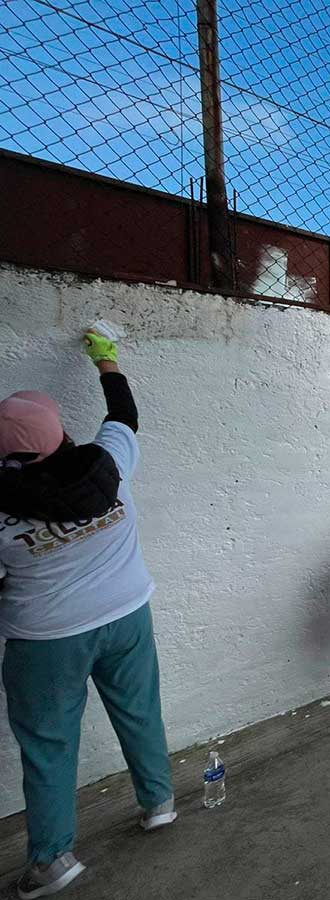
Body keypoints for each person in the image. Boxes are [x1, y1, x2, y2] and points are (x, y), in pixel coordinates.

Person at [0, 330, 174, 899]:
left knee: (49, 744)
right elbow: (123, 413)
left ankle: (52, 861)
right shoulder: (109, 463)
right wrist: (106, 360)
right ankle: (158, 802)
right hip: (126, 614)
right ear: (62, 436)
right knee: (140, 711)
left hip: (46, 638)